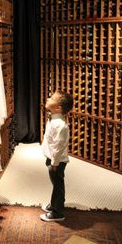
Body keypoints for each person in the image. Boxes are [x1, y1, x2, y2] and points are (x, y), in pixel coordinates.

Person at [40, 90, 73, 222]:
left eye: (52, 98)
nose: (48, 98)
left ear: (58, 108)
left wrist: (54, 163)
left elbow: (59, 146)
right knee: (56, 183)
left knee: (58, 184)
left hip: (57, 161)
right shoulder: (53, 119)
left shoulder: (60, 125)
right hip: (53, 159)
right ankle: (56, 203)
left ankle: (58, 212)